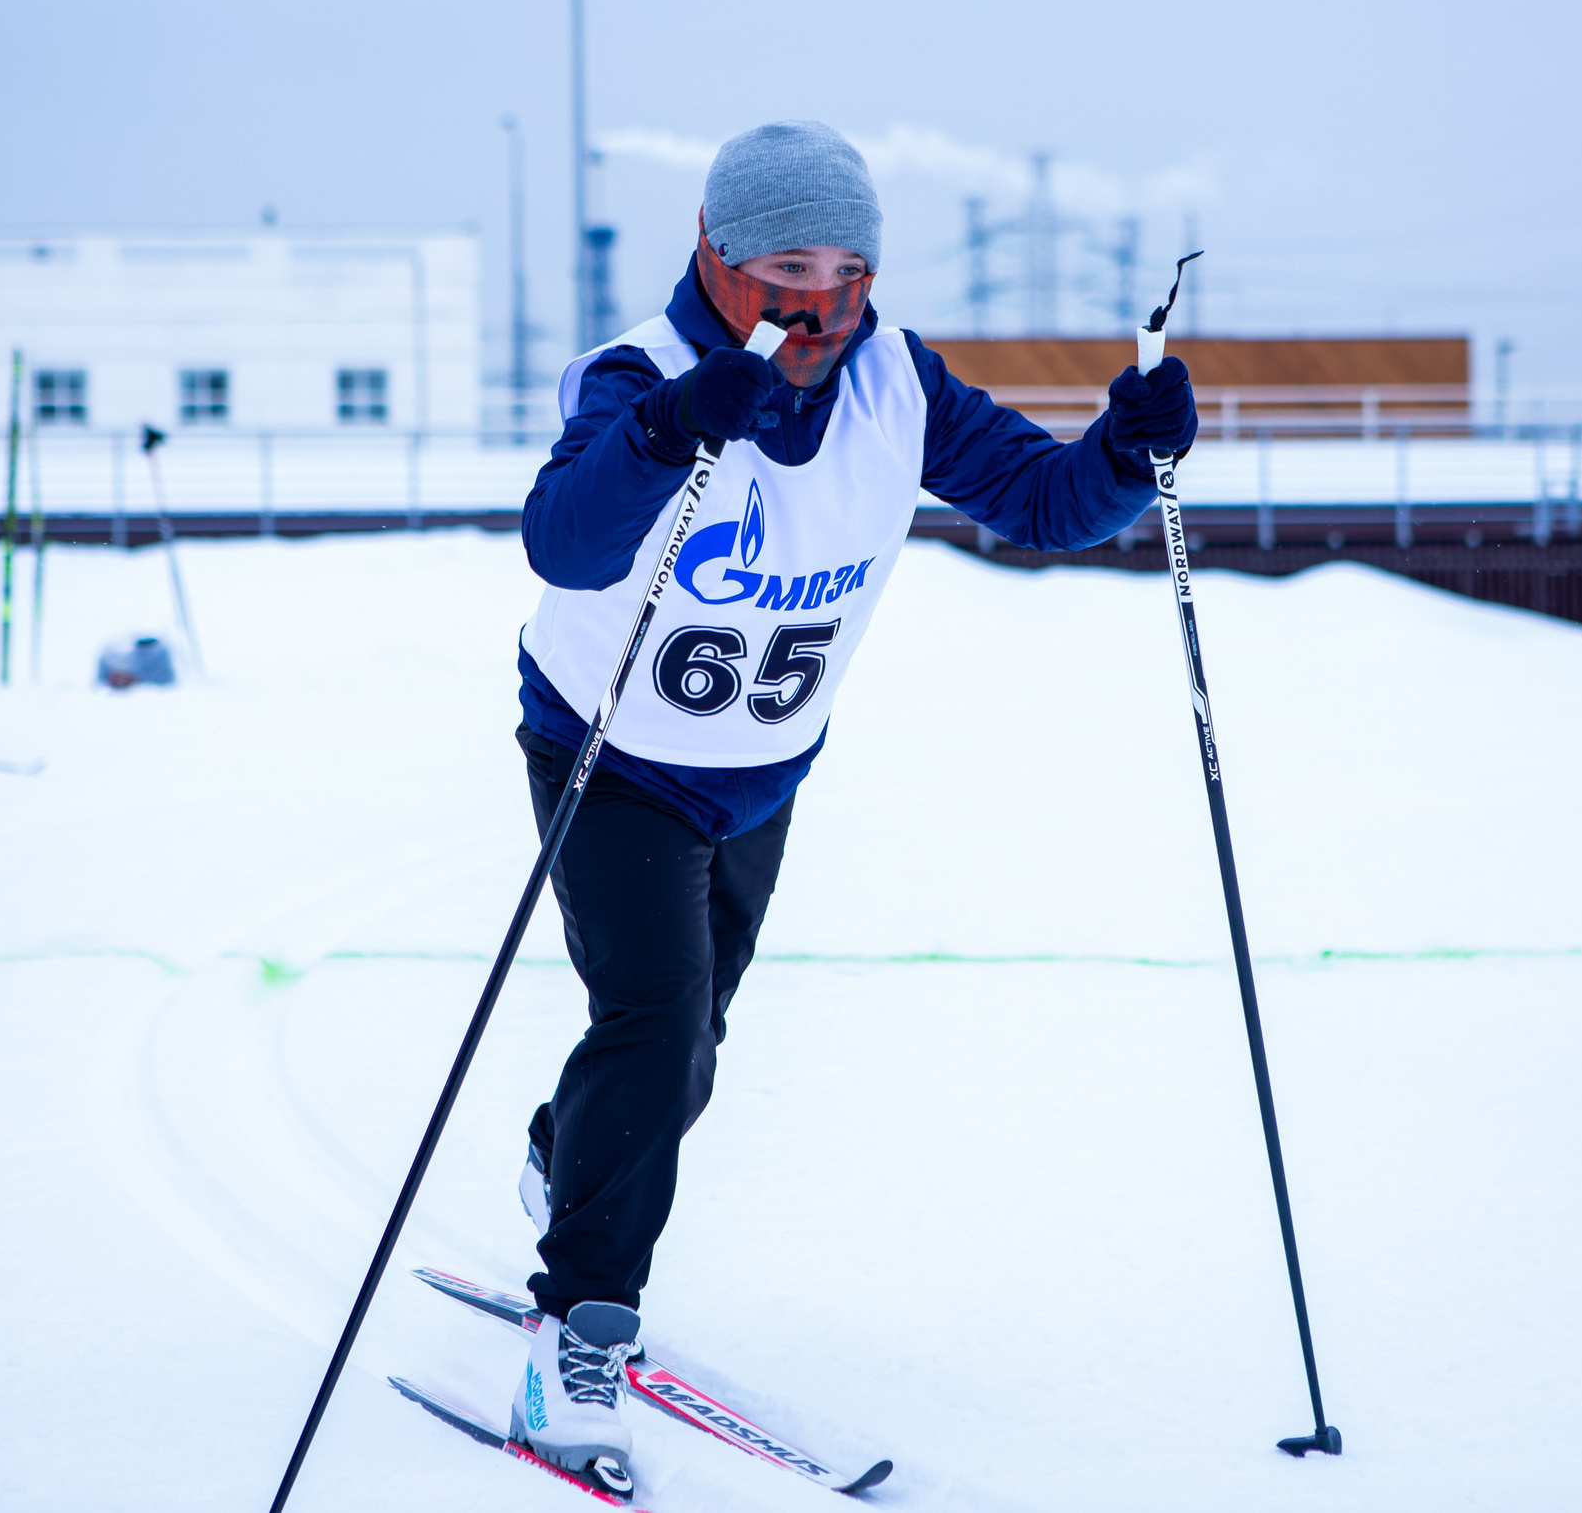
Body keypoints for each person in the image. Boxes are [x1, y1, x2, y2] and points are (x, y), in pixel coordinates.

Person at [503, 121, 1198, 1490]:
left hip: (762, 769)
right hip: (610, 754)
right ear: (716, 254)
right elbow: (566, 542)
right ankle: (573, 1327)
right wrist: (663, 431)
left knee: (685, 1039)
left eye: (848, 266)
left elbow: (1048, 505)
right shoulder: (640, 372)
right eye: (784, 266)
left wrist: (1127, 448)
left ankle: (563, 1148)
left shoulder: (897, 378)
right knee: (652, 1031)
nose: (817, 298)